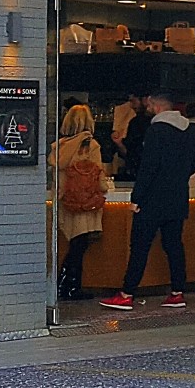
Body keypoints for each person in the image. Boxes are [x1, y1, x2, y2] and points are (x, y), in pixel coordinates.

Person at [100, 91, 195, 311]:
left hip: (153, 198)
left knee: (139, 246)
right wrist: (178, 177)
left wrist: (137, 198)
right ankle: (177, 292)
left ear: (156, 106)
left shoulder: (156, 130)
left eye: (149, 106)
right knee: (174, 245)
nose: (147, 109)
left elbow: (148, 167)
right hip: (177, 196)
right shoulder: (188, 130)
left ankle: (127, 293)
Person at [52, 104, 110, 300]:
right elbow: (97, 176)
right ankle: (69, 286)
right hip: (84, 203)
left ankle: (63, 285)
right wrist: (105, 187)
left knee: (73, 244)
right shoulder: (90, 145)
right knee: (79, 246)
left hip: (65, 201)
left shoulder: (58, 146)